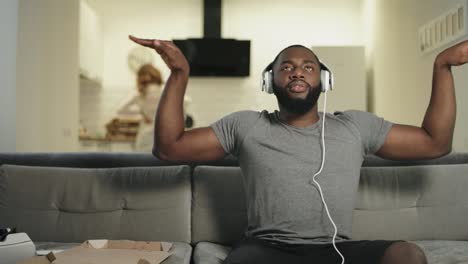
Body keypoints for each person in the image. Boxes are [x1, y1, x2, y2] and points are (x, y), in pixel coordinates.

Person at [129, 34, 468, 264]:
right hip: (265, 250)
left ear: (324, 80)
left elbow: (435, 143)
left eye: (308, 67)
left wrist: (442, 66)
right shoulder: (245, 125)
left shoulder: (354, 126)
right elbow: (169, 149)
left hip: (334, 249)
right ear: (269, 81)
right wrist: (179, 73)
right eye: (286, 67)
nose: (297, 72)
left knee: (407, 255)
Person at [117, 63, 191, 151]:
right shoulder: (166, 89)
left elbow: (121, 109)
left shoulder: (139, 93)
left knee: (144, 162)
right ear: (156, 74)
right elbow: (186, 101)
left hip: (145, 137)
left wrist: (142, 112)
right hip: (166, 136)